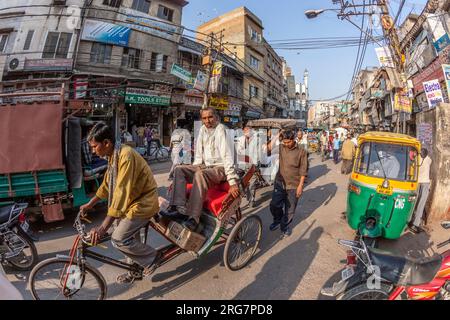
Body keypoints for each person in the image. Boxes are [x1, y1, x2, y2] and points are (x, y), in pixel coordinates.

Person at [79, 122, 161, 284]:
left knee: (119, 238)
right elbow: (107, 185)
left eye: (95, 147)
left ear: (106, 143)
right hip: (131, 204)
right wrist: (91, 203)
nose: (93, 151)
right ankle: (134, 271)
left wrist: (103, 228)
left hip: (143, 203)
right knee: (129, 238)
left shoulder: (125, 155)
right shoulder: (113, 156)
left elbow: (120, 192)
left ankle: (152, 257)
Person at [162, 108, 240, 231]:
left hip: (221, 168)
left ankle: (193, 219)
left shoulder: (222, 130)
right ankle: (176, 207)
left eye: (210, 117)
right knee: (179, 170)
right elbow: (198, 155)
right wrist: (193, 169)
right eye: (204, 118)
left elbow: (227, 157)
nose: (207, 121)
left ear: (216, 117)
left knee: (200, 174)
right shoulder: (203, 130)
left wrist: (232, 182)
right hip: (206, 166)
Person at [268, 130, 307, 238]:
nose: (286, 144)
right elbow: (268, 148)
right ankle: (277, 219)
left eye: (288, 142)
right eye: (284, 142)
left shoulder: (301, 151)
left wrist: (300, 186)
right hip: (280, 183)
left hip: (294, 185)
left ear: (293, 139)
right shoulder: (281, 148)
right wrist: (277, 135)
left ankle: (284, 227)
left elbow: (303, 169)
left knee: (290, 210)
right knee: (274, 205)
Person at [409, 148, 432, 234]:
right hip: (424, 182)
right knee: (421, 204)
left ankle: (409, 220)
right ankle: (416, 224)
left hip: (417, 182)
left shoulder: (416, 159)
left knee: (414, 202)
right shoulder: (429, 160)